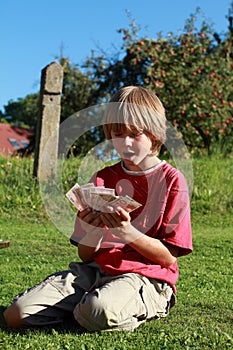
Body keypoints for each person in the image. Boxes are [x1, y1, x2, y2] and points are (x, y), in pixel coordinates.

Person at [4, 86, 192, 331]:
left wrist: (127, 232)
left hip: (146, 277)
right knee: (16, 314)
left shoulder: (172, 181)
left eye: (134, 134)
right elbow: (85, 255)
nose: (125, 142)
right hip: (94, 271)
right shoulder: (101, 179)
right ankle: (86, 309)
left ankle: (104, 308)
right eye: (117, 133)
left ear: (154, 134)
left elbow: (168, 257)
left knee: (96, 310)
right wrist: (93, 230)